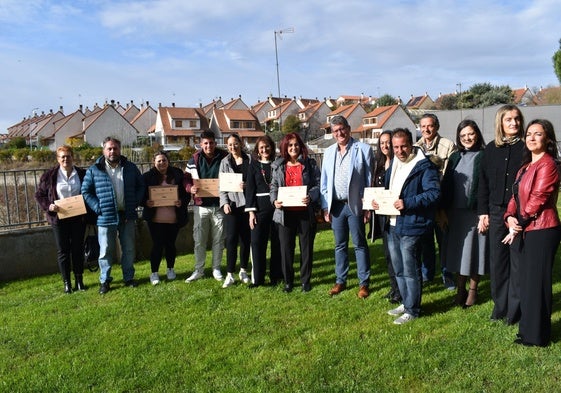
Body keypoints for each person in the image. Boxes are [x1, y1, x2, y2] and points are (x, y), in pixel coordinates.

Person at [372, 128, 440, 324]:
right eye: (395, 147)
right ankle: (405, 301)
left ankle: (413, 309)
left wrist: (407, 202)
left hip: (412, 225)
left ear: (411, 145)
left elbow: (434, 193)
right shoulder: (394, 162)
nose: (399, 151)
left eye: (403, 146)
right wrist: (379, 201)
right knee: (398, 268)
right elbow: (388, 190)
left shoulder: (423, 166)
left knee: (411, 269)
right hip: (392, 224)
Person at [502, 119, 561, 347]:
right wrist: (509, 217)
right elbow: (514, 199)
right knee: (526, 283)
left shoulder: (549, 165)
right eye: (529, 134)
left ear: (547, 139)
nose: (531, 138)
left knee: (537, 283)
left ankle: (538, 336)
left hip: (543, 230)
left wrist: (520, 222)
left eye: (538, 134)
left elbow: (538, 198)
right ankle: (526, 331)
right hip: (526, 228)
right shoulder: (524, 167)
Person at [477, 104, 525, 325]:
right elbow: (483, 183)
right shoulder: (490, 149)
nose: (513, 123)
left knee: (517, 260)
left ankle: (515, 309)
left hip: (519, 213)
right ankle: (500, 305)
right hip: (496, 212)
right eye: (508, 120)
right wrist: (483, 213)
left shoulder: (526, 149)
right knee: (497, 261)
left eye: (516, 119)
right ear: (500, 123)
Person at [81, 137, 145, 294]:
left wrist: (135, 201)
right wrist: (97, 207)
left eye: (115, 148)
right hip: (105, 216)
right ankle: (105, 281)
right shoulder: (94, 170)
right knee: (105, 251)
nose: (112, 151)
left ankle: (128, 277)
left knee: (129, 249)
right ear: (103, 150)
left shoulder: (130, 167)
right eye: (109, 148)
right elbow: (85, 191)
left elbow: (141, 185)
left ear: (120, 149)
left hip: (127, 214)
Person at [320, 115, 373, 299]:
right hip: (336, 206)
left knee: (359, 244)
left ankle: (363, 283)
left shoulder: (363, 150)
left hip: (355, 205)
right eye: (335, 131)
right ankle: (340, 280)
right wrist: (325, 207)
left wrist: (367, 207)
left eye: (342, 129)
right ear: (332, 133)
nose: (339, 133)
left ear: (348, 129)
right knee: (339, 245)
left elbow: (369, 180)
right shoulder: (328, 153)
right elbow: (324, 183)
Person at [440, 120, 488, 307]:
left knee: (475, 253)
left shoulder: (484, 156)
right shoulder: (454, 157)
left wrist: (485, 212)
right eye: (463, 135)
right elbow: (446, 185)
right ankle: (461, 290)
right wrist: (442, 210)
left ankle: (473, 291)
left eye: (470, 134)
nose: (467, 138)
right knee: (459, 254)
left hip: (476, 213)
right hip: (455, 214)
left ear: (476, 134)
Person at [35, 145, 90, 293]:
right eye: (62, 157)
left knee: (78, 249)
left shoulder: (82, 174)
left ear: (73, 157)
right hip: (59, 219)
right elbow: (39, 195)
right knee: (63, 251)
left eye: (68, 156)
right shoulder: (49, 176)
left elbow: (89, 192)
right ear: (58, 159)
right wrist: (49, 206)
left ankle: (79, 280)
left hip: (78, 218)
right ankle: (67, 283)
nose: (66, 159)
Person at [271, 132, 320, 293]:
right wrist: (274, 201)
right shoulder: (278, 165)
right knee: (286, 249)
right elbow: (273, 187)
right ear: (285, 147)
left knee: (306, 248)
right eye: (290, 145)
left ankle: (305, 281)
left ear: (301, 146)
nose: (293, 148)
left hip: (305, 212)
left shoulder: (310, 164)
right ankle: (288, 282)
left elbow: (317, 185)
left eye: (296, 145)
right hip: (285, 214)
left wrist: (311, 196)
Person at [414, 113, 456, 290]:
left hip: (441, 201)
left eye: (430, 126)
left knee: (444, 241)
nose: (426, 129)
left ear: (436, 127)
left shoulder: (448, 145)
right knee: (425, 242)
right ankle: (427, 274)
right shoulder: (415, 148)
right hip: (423, 202)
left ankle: (447, 275)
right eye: (423, 126)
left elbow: (452, 175)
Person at [184, 130, 228, 283]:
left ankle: (216, 268)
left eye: (211, 143)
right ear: (201, 144)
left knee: (218, 240)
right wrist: (190, 188)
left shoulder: (224, 157)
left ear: (215, 143)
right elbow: (186, 179)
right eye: (205, 143)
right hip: (200, 206)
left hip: (219, 205)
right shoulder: (194, 159)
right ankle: (199, 270)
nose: (209, 146)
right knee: (199, 240)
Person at [142, 151, 190, 285]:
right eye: (159, 161)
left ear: (168, 161)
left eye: (164, 160)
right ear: (154, 163)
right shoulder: (147, 177)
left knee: (170, 245)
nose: (162, 163)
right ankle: (154, 273)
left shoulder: (177, 174)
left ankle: (170, 269)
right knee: (157, 246)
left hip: (173, 218)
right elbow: (140, 195)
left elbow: (186, 194)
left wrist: (181, 201)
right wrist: (146, 202)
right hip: (155, 219)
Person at [245, 135, 282, 287]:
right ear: (257, 151)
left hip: (277, 207)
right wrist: (251, 212)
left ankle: (276, 276)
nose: (265, 149)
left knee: (277, 243)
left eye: (267, 146)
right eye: (261, 147)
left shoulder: (278, 164)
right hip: (259, 209)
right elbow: (250, 190)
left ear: (272, 148)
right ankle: (258, 279)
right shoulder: (253, 166)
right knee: (257, 243)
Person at [219, 134, 251, 288]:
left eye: (236, 144)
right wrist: (224, 203)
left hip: (248, 205)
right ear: (227, 146)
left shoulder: (250, 160)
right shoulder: (225, 162)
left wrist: (248, 185)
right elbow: (222, 187)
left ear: (241, 143)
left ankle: (243, 270)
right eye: (230, 145)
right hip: (232, 206)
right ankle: (230, 274)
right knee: (231, 240)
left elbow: (255, 180)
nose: (233, 147)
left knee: (246, 240)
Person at [373, 130, 401, 304]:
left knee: (398, 255)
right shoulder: (379, 163)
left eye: (388, 142)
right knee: (388, 255)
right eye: (382, 143)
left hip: (397, 215)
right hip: (382, 216)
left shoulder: (399, 163)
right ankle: (394, 287)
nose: (385, 146)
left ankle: (401, 290)